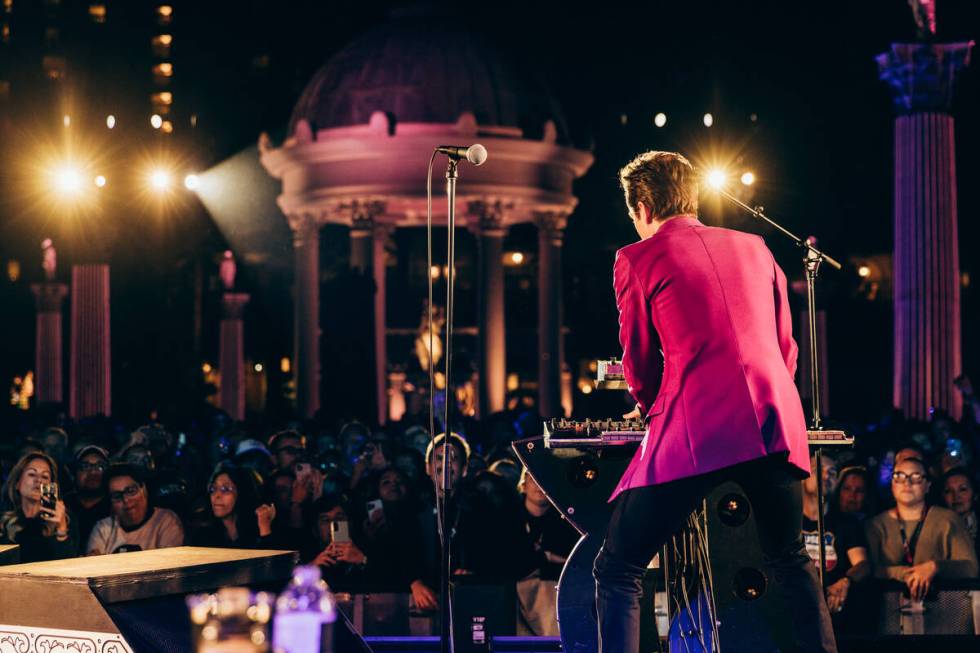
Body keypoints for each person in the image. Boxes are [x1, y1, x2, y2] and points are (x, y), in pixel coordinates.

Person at [593, 151, 836, 653]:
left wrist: (648, 407)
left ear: (641, 204)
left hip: (697, 426)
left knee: (617, 566)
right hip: (772, 421)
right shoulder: (756, 247)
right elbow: (786, 347)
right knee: (790, 558)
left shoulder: (636, 258)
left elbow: (639, 361)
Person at [865, 457, 978, 600]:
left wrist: (935, 567)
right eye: (899, 476)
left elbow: (970, 568)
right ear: (892, 484)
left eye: (916, 477)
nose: (907, 482)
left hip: (942, 611)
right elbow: (868, 570)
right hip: (888, 613)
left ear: (928, 485)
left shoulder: (948, 520)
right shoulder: (875, 525)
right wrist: (905, 573)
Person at [801, 453, 870, 631]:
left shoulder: (846, 522)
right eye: (818, 471)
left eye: (832, 473)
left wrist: (845, 581)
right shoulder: (789, 522)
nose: (826, 476)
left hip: (835, 616)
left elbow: (862, 564)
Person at [87, 464, 185, 555]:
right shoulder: (103, 528)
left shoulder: (166, 520)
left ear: (144, 490)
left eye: (131, 491)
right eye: (117, 496)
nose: (126, 500)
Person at [0, 452, 77, 562]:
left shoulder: (67, 521)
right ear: (17, 483)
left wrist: (61, 531)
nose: (39, 480)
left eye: (45, 476)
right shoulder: (4, 523)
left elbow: (70, 568)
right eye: (32, 474)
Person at [190, 464, 276, 548]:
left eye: (225, 489)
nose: (217, 495)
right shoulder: (203, 536)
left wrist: (264, 527)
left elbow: (269, 561)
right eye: (213, 489)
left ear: (242, 493)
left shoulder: (258, 528)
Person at [65, 444, 111, 552]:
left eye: (100, 466)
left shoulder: (117, 504)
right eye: (85, 466)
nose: (93, 472)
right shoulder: (63, 505)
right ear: (74, 474)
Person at [941, 467, 979, 561]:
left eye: (962, 489)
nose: (956, 496)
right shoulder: (935, 526)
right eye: (948, 491)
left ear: (975, 494)